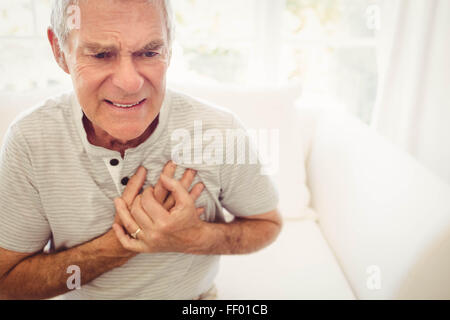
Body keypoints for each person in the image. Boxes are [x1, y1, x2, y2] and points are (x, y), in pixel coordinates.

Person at [0, 0, 282, 300]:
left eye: (149, 52)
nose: (130, 83)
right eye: (101, 54)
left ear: (170, 48)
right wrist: (118, 246)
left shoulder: (220, 131)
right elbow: (6, 284)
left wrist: (195, 237)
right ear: (60, 51)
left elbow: (267, 225)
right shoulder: (31, 140)